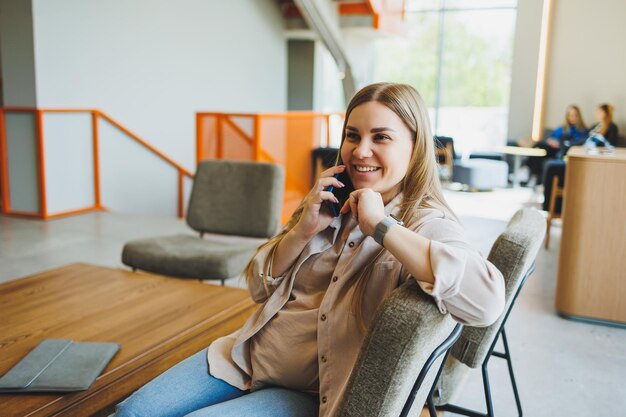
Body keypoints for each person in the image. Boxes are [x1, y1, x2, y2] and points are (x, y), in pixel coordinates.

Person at [113, 83, 506, 417]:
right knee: (131, 412)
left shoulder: (427, 223)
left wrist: (380, 226)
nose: (361, 151)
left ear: (415, 146)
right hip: (245, 357)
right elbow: (256, 288)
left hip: (308, 391)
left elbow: (486, 302)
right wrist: (302, 231)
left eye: (381, 137)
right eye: (353, 135)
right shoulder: (332, 198)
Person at [528, 105, 587, 184]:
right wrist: (551, 141)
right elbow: (552, 137)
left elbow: (576, 142)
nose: (572, 117)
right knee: (539, 149)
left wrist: (560, 143)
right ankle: (533, 176)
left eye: (574, 115)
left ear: (578, 116)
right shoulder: (562, 128)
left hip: (562, 150)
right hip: (553, 148)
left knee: (539, 146)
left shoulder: (582, 130)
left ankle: (527, 170)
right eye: (570, 115)